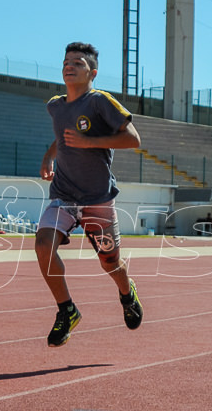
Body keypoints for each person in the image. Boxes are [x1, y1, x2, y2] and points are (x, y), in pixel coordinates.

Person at [36, 41, 145, 347]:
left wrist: (89, 143)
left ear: (92, 72)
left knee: (110, 263)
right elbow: (62, 135)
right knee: (44, 245)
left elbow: (132, 139)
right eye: (66, 61)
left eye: (78, 63)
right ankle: (66, 310)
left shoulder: (100, 102)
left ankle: (127, 292)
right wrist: (49, 156)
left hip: (97, 198)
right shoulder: (56, 106)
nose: (69, 66)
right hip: (64, 196)